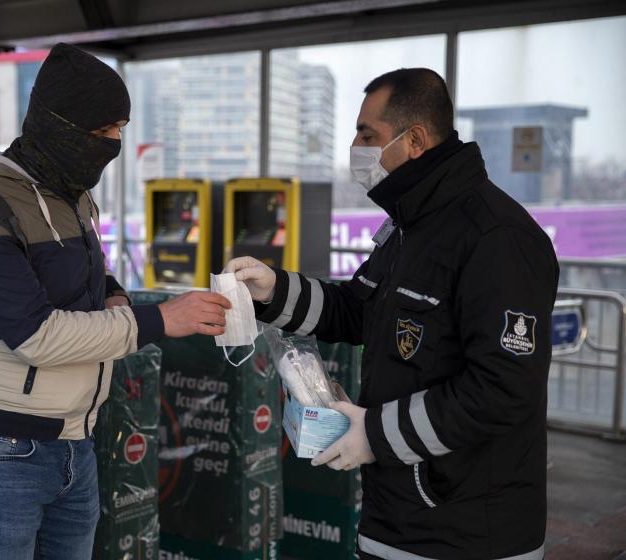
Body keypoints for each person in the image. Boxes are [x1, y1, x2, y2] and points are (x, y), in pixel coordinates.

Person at [227, 68, 558, 560]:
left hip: (469, 531)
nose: (355, 146)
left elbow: (503, 388)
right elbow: (357, 310)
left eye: (368, 134)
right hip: (396, 515)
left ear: (416, 140)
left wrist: (375, 435)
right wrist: (275, 290)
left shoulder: (497, 238)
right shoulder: (410, 226)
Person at [0, 44, 230, 559]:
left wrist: (114, 296)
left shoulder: (73, 196)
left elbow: (90, 276)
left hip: (76, 440)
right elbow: (34, 335)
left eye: (120, 128)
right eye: (103, 131)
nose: (115, 143)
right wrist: (160, 318)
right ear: (59, 126)